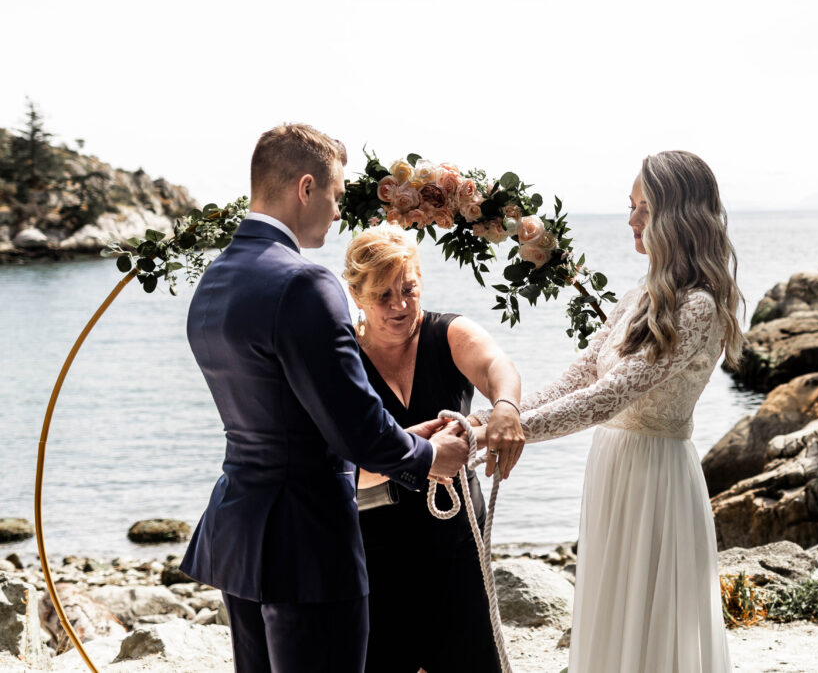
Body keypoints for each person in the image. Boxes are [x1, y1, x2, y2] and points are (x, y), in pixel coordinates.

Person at [180, 124, 471, 673]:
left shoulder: (215, 279)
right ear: (306, 187)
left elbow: (289, 415)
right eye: (336, 195)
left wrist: (403, 439)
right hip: (309, 546)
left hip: (240, 535)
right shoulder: (304, 284)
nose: (339, 212)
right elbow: (353, 427)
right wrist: (429, 458)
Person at [474, 150, 742, 672]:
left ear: (679, 218)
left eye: (645, 208)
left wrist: (513, 431)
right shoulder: (640, 294)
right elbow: (581, 375)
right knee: (611, 611)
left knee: (651, 623)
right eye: (632, 206)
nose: (632, 220)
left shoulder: (699, 305)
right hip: (613, 467)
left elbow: (611, 394)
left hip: (656, 480)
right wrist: (494, 418)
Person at [342, 223, 524, 672]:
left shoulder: (449, 333)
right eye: (383, 296)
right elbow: (337, 461)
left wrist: (504, 406)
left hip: (457, 536)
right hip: (374, 545)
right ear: (356, 294)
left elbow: (497, 364)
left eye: (409, 289)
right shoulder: (341, 357)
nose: (400, 305)